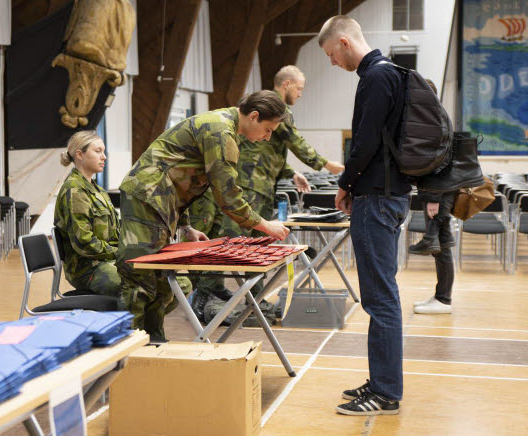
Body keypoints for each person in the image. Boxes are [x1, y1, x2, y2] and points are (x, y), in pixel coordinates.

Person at [116, 90, 292, 341]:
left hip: (161, 201)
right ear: (254, 116)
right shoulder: (220, 131)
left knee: (159, 279)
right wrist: (264, 225)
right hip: (148, 197)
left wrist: (185, 226)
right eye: (268, 130)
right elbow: (227, 195)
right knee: (140, 277)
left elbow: (183, 176)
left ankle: (152, 343)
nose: (267, 137)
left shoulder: (225, 127)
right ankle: (125, 350)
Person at [191, 65, 346, 325]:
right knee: (231, 241)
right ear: (285, 84)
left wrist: (290, 172)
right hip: (248, 184)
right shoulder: (272, 108)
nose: (300, 94)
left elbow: (271, 150)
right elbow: (295, 141)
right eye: (299, 88)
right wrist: (324, 164)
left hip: (263, 184)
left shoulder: (274, 114)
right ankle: (207, 295)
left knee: (257, 245)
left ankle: (253, 296)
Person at [318, 15, 410, 415]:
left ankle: (386, 392)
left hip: (377, 199)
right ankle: (380, 381)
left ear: (343, 42)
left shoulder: (375, 77)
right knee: (378, 296)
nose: (332, 64)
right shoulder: (392, 73)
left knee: (380, 299)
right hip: (386, 195)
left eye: (330, 55)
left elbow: (367, 141)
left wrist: (346, 184)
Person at [53, 131, 122, 296]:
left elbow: (117, 230)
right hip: (88, 269)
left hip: (108, 260)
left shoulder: (97, 190)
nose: (104, 157)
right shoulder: (75, 190)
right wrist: (120, 252)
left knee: (173, 284)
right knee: (139, 286)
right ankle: (133, 321)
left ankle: (140, 321)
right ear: (80, 154)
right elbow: (84, 243)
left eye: (103, 151)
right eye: (98, 151)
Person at [410, 79, 456, 315]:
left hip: (438, 192)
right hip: (439, 191)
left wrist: (433, 198)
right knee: (440, 245)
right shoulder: (437, 116)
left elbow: (440, 162)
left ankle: (443, 300)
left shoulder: (434, 120)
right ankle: (441, 296)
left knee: (442, 246)